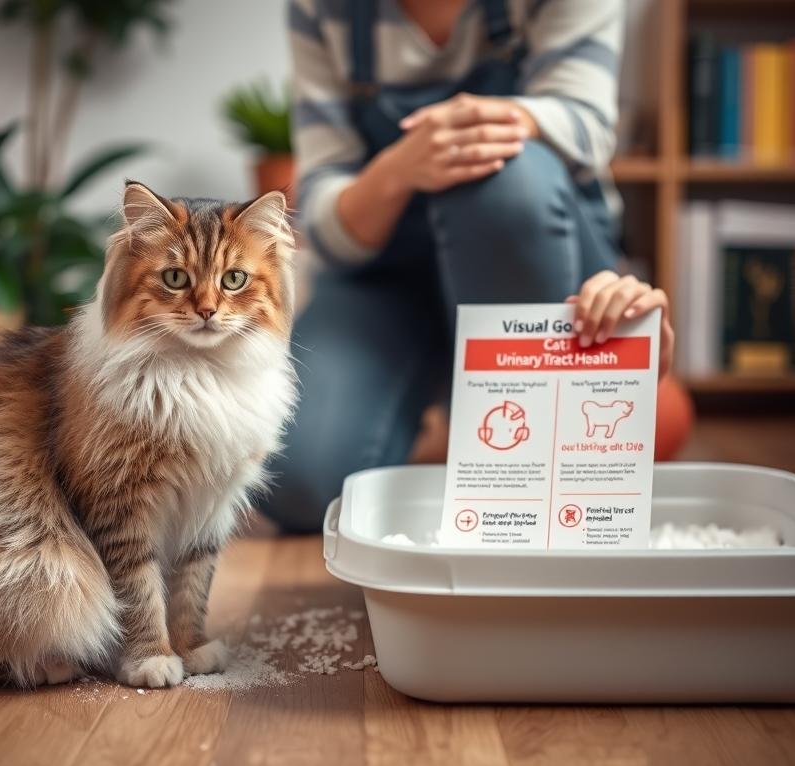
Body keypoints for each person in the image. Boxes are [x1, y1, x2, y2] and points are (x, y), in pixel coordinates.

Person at [262, 0, 674, 532]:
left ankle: (495, 447)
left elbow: (589, 126)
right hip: (385, 278)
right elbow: (321, 217)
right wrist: (400, 168)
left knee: (508, 184)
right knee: (298, 485)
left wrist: (480, 132)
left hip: (535, 247)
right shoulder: (321, 9)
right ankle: (460, 428)